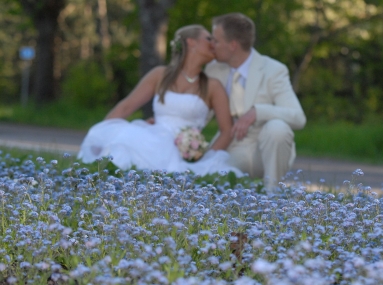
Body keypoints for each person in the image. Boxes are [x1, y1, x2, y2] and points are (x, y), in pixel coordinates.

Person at [78, 25, 243, 177]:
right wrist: (103, 136)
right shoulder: (160, 75)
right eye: (208, 39)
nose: (213, 43)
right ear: (191, 42)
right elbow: (126, 107)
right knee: (126, 140)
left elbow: (227, 130)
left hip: (185, 150)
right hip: (155, 137)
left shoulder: (213, 86)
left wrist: (202, 157)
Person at [205, 13, 306, 192]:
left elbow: (298, 117)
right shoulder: (213, 70)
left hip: (265, 148)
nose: (211, 45)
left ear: (233, 45)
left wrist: (257, 112)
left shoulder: (273, 70)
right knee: (207, 186)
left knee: (278, 129)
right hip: (232, 146)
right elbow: (201, 113)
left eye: (216, 40)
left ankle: (272, 196)